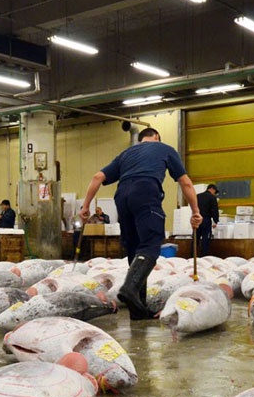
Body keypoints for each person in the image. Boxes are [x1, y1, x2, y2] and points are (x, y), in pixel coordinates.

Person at [81, 127, 202, 320]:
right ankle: (129, 288)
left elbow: (98, 177)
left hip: (122, 197)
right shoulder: (164, 148)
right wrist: (196, 212)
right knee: (151, 245)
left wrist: (85, 207)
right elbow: (186, 183)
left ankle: (138, 308)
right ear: (156, 137)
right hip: (145, 190)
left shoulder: (126, 154)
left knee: (135, 249)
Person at [196, 183, 219, 256]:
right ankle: (204, 256)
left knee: (195, 239)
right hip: (206, 220)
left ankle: (192, 256)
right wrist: (215, 221)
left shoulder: (197, 196)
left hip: (197, 219)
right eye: (215, 192)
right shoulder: (212, 197)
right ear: (212, 189)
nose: (214, 193)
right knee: (205, 239)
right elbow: (214, 210)